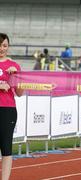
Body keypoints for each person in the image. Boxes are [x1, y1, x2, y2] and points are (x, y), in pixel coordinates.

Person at [0, 33, 24, 180]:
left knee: (6, 148)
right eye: (0, 45)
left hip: (7, 109)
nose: (2, 48)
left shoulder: (14, 66)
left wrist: (15, 78)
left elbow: (20, 92)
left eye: (5, 45)